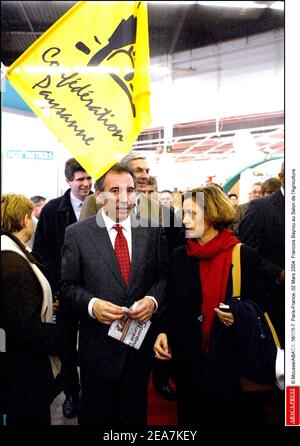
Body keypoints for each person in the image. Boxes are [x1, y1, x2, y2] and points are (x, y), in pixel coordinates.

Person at [60, 163, 168, 425]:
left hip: (138, 349)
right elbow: (67, 287)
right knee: (97, 416)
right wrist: (92, 304)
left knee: (133, 417)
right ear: (98, 196)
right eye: (115, 191)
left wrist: (153, 301)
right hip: (97, 350)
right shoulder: (77, 234)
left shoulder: (153, 231)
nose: (124, 198)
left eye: (130, 190)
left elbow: (163, 278)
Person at [154, 185, 269, 425]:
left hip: (229, 361)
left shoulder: (243, 255)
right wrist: (163, 331)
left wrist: (238, 315)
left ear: (212, 214)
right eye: (182, 213)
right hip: (189, 361)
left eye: (192, 214)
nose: (184, 220)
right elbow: (172, 303)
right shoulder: (179, 256)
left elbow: (261, 304)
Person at [33, 158, 93, 418]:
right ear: (68, 181)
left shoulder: (102, 207)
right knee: (67, 347)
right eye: (80, 179)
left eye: (89, 178)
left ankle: (92, 392)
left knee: (94, 345)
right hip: (64, 293)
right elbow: (41, 253)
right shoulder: (53, 210)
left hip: (95, 292)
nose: (86, 184)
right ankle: (71, 394)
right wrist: (54, 290)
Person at [1, 194, 64, 426]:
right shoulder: (12, 263)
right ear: (25, 219)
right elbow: (26, 327)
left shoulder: (13, 254)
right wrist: (65, 339)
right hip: (23, 372)